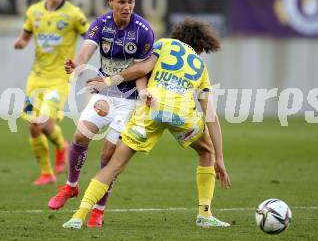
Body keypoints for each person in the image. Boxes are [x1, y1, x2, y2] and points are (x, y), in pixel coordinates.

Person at [62, 17, 231, 229]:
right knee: (206, 152)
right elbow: (211, 116)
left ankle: (78, 216)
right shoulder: (200, 66)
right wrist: (220, 159)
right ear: (200, 45)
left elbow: (141, 70)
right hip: (182, 114)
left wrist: (107, 81)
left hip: (152, 108)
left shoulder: (162, 44)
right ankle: (205, 214)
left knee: (115, 165)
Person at [47, 0, 154, 228]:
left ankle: (99, 209)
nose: (127, 6)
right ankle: (71, 186)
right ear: (110, 1)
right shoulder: (100, 25)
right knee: (81, 135)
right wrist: (77, 64)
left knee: (108, 154)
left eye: (131, 2)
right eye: (122, 2)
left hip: (129, 100)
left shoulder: (143, 31)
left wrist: (142, 92)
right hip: (104, 92)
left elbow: (142, 69)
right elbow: (86, 51)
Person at [13, 0, 90, 186]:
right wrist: (21, 42)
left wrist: (79, 59)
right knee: (33, 125)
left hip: (59, 79)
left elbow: (90, 38)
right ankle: (47, 171)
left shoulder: (74, 14)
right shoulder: (34, 11)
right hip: (36, 78)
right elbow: (26, 34)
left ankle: (60, 148)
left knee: (43, 119)